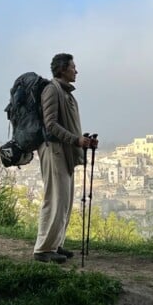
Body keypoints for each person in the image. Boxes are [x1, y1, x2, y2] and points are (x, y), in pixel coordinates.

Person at [34, 53, 98, 263]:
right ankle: (43, 249)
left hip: (64, 151)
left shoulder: (66, 93)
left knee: (65, 199)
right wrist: (76, 140)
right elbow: (50, 124)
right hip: (54, 150)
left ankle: (55, 244)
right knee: (55, 198)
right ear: (62, 69)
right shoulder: (52, 90)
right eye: (73, 67)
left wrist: (81, 141)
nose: (76, 71)